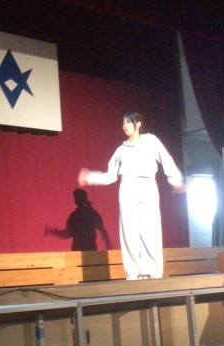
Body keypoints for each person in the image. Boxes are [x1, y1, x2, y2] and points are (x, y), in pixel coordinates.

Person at [78, 112, 184, 280]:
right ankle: (132, 271)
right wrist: (90, 177)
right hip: (127, 187)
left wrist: (175, 180)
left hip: (147, 185)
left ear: (138, 123)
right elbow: (110, 176)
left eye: (128, 122)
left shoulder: (151, 141)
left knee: (150, 228)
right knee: (129, 230)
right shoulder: (121, 150)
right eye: (123, 123)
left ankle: (153, 270)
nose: (125, 125)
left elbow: (166, 159)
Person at [45, 189, 111, 251]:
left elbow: (67, 234)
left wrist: (53, 233)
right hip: (90, 250)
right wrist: (108, 245)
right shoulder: (91, 214)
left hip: (79, 251)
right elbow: (102, 230)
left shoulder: (74, 216)